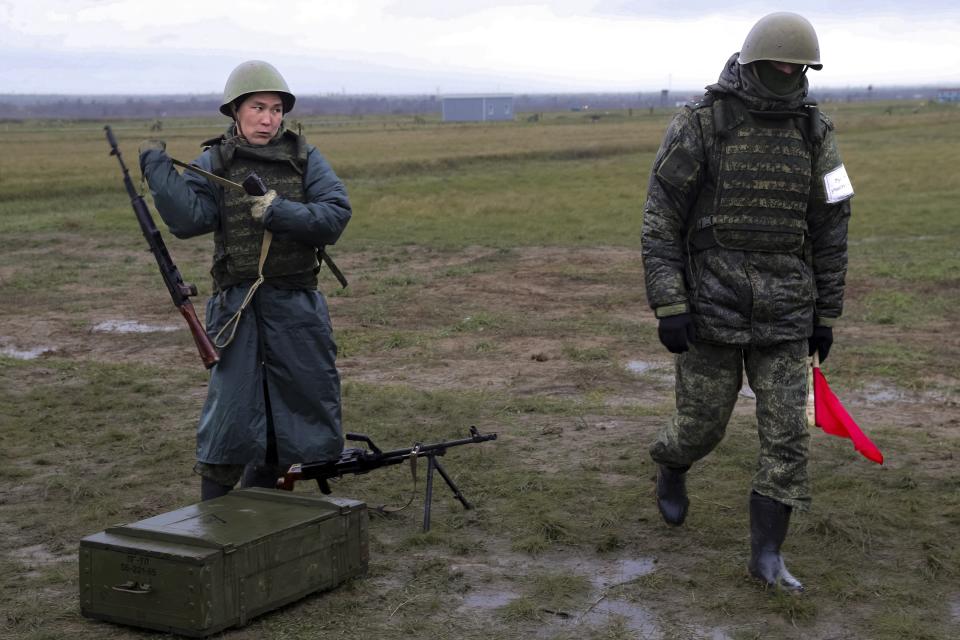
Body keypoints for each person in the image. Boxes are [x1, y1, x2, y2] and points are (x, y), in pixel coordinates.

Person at [640, 12, 852, 592]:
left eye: (798, 65)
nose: (790, 72)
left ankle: (767, 556)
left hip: (787, 311)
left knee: (788, 436)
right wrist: (669, 303)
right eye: (780, 63)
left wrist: (825, 313)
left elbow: (832, 226)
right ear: (755, 61)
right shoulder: (702, 123)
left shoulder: (815, 132)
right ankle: (672, 462)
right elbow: (661, 220)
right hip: (710, 308)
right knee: (701, 426)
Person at [138, 60, 352, 501]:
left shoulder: (304, 158)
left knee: (297, 408)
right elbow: (191, 220)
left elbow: (334, 216)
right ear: (236, 110)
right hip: (236, 309)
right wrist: (159, 174)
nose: (269, 118)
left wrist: (280, 212)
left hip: (296, 307)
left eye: (276, 109)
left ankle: (265, 506)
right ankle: (213, 517)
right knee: (231, 416)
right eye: (258, 107)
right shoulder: (215, 161)